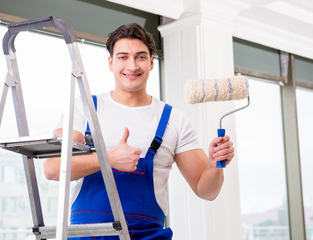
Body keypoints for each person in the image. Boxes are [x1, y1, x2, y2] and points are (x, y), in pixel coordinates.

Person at [43, 23, 234, 239]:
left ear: (152, 62)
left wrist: (215, 164)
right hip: (87, 235)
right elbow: (52, 167)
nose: (132, 66)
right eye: (123, 57)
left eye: (140, 57)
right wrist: (109, 159)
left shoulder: (174, 119)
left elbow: (206, 191)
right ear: (110, 62)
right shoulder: (83, 108)